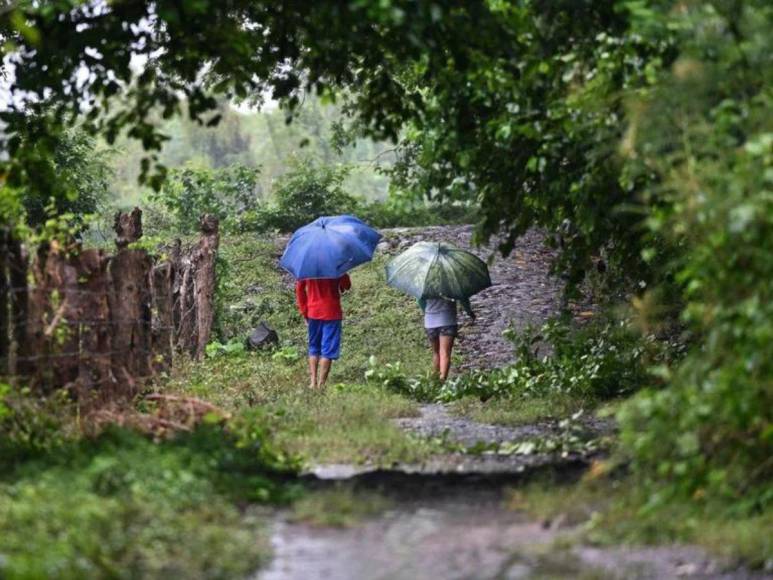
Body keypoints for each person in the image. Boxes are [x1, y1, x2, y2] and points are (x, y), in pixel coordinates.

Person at [296, 274, 351, 389]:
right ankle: (321, 385)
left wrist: (305, 312)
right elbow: (346, 286)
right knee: (328, 350)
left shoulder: (307, 267)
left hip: (313, 312)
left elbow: (300, 290)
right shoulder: (335, 265)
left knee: (314, 348)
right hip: (332, 312)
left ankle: (312, 382)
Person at [418, 296, 475, 381]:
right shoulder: (451, 283)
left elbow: (420, 300)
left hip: (430, 321)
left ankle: (435, 381)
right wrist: (469, 312)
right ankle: (442, 381)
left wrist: (426, 312)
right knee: (445, 352)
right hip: (447, 319)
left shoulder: (425, 284)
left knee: (436, 352)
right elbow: (462, 297)